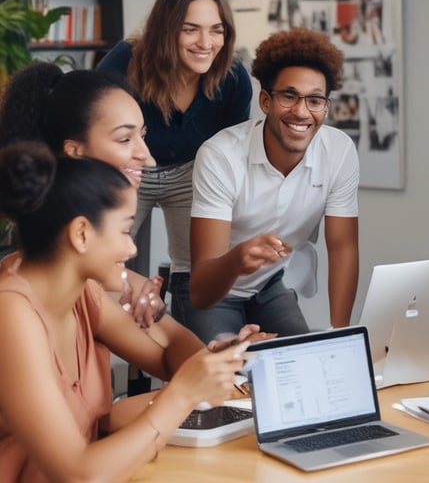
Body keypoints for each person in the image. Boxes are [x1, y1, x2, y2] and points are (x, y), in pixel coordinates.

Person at [0, 141, 258, 482]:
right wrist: (183, 394)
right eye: (124, 230)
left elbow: (165, 357)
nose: (132, 247)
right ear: (80, 234)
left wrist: (222, 358)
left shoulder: (83, 295)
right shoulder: (11, 313)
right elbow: (78, 475)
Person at [184, 27, 360, 344]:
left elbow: (342, 247)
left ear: (326, 107)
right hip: (212, 290)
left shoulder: (339, 151)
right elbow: (200, 290)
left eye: (315, 100)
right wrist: (238, 258)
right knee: (227, 375)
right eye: (289, 96)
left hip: (268, 284)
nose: (302, 112)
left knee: (304, 362)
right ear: (266, 100)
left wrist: (340, 336)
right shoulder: (220, 155)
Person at [97, 0, 253, 324]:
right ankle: (111, 344)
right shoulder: (125, 63)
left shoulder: (233, 79)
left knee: (198, 270)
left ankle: (194, 346)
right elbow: (92, 129)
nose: (205, 42)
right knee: (102, 264)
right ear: (167, 29)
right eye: (190, 28)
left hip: (191, 172)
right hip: (126, 170)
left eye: (216, 29)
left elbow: (230, 157)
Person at [0, 62, 166, 328]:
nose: (147, 158)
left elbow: (170, 344)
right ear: (80, 233)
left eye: (142, 136)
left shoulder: (97, 273)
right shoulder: (20, 294)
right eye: (124, 139)